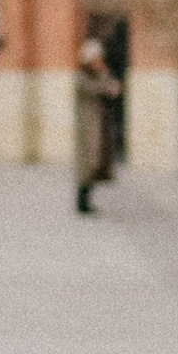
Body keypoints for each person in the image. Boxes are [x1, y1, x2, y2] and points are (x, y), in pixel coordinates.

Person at [73, 32, 124, 216]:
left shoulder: (98, 73)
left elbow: (112, 87)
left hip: (99, 124)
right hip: (88, 126)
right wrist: (107, 82)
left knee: (96, 161)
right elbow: (102, 88)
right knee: (87, 162)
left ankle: (87, 200)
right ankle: (82, 201)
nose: (99, 62)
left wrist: (105, 77)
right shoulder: (81, 76)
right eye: (96, 59)